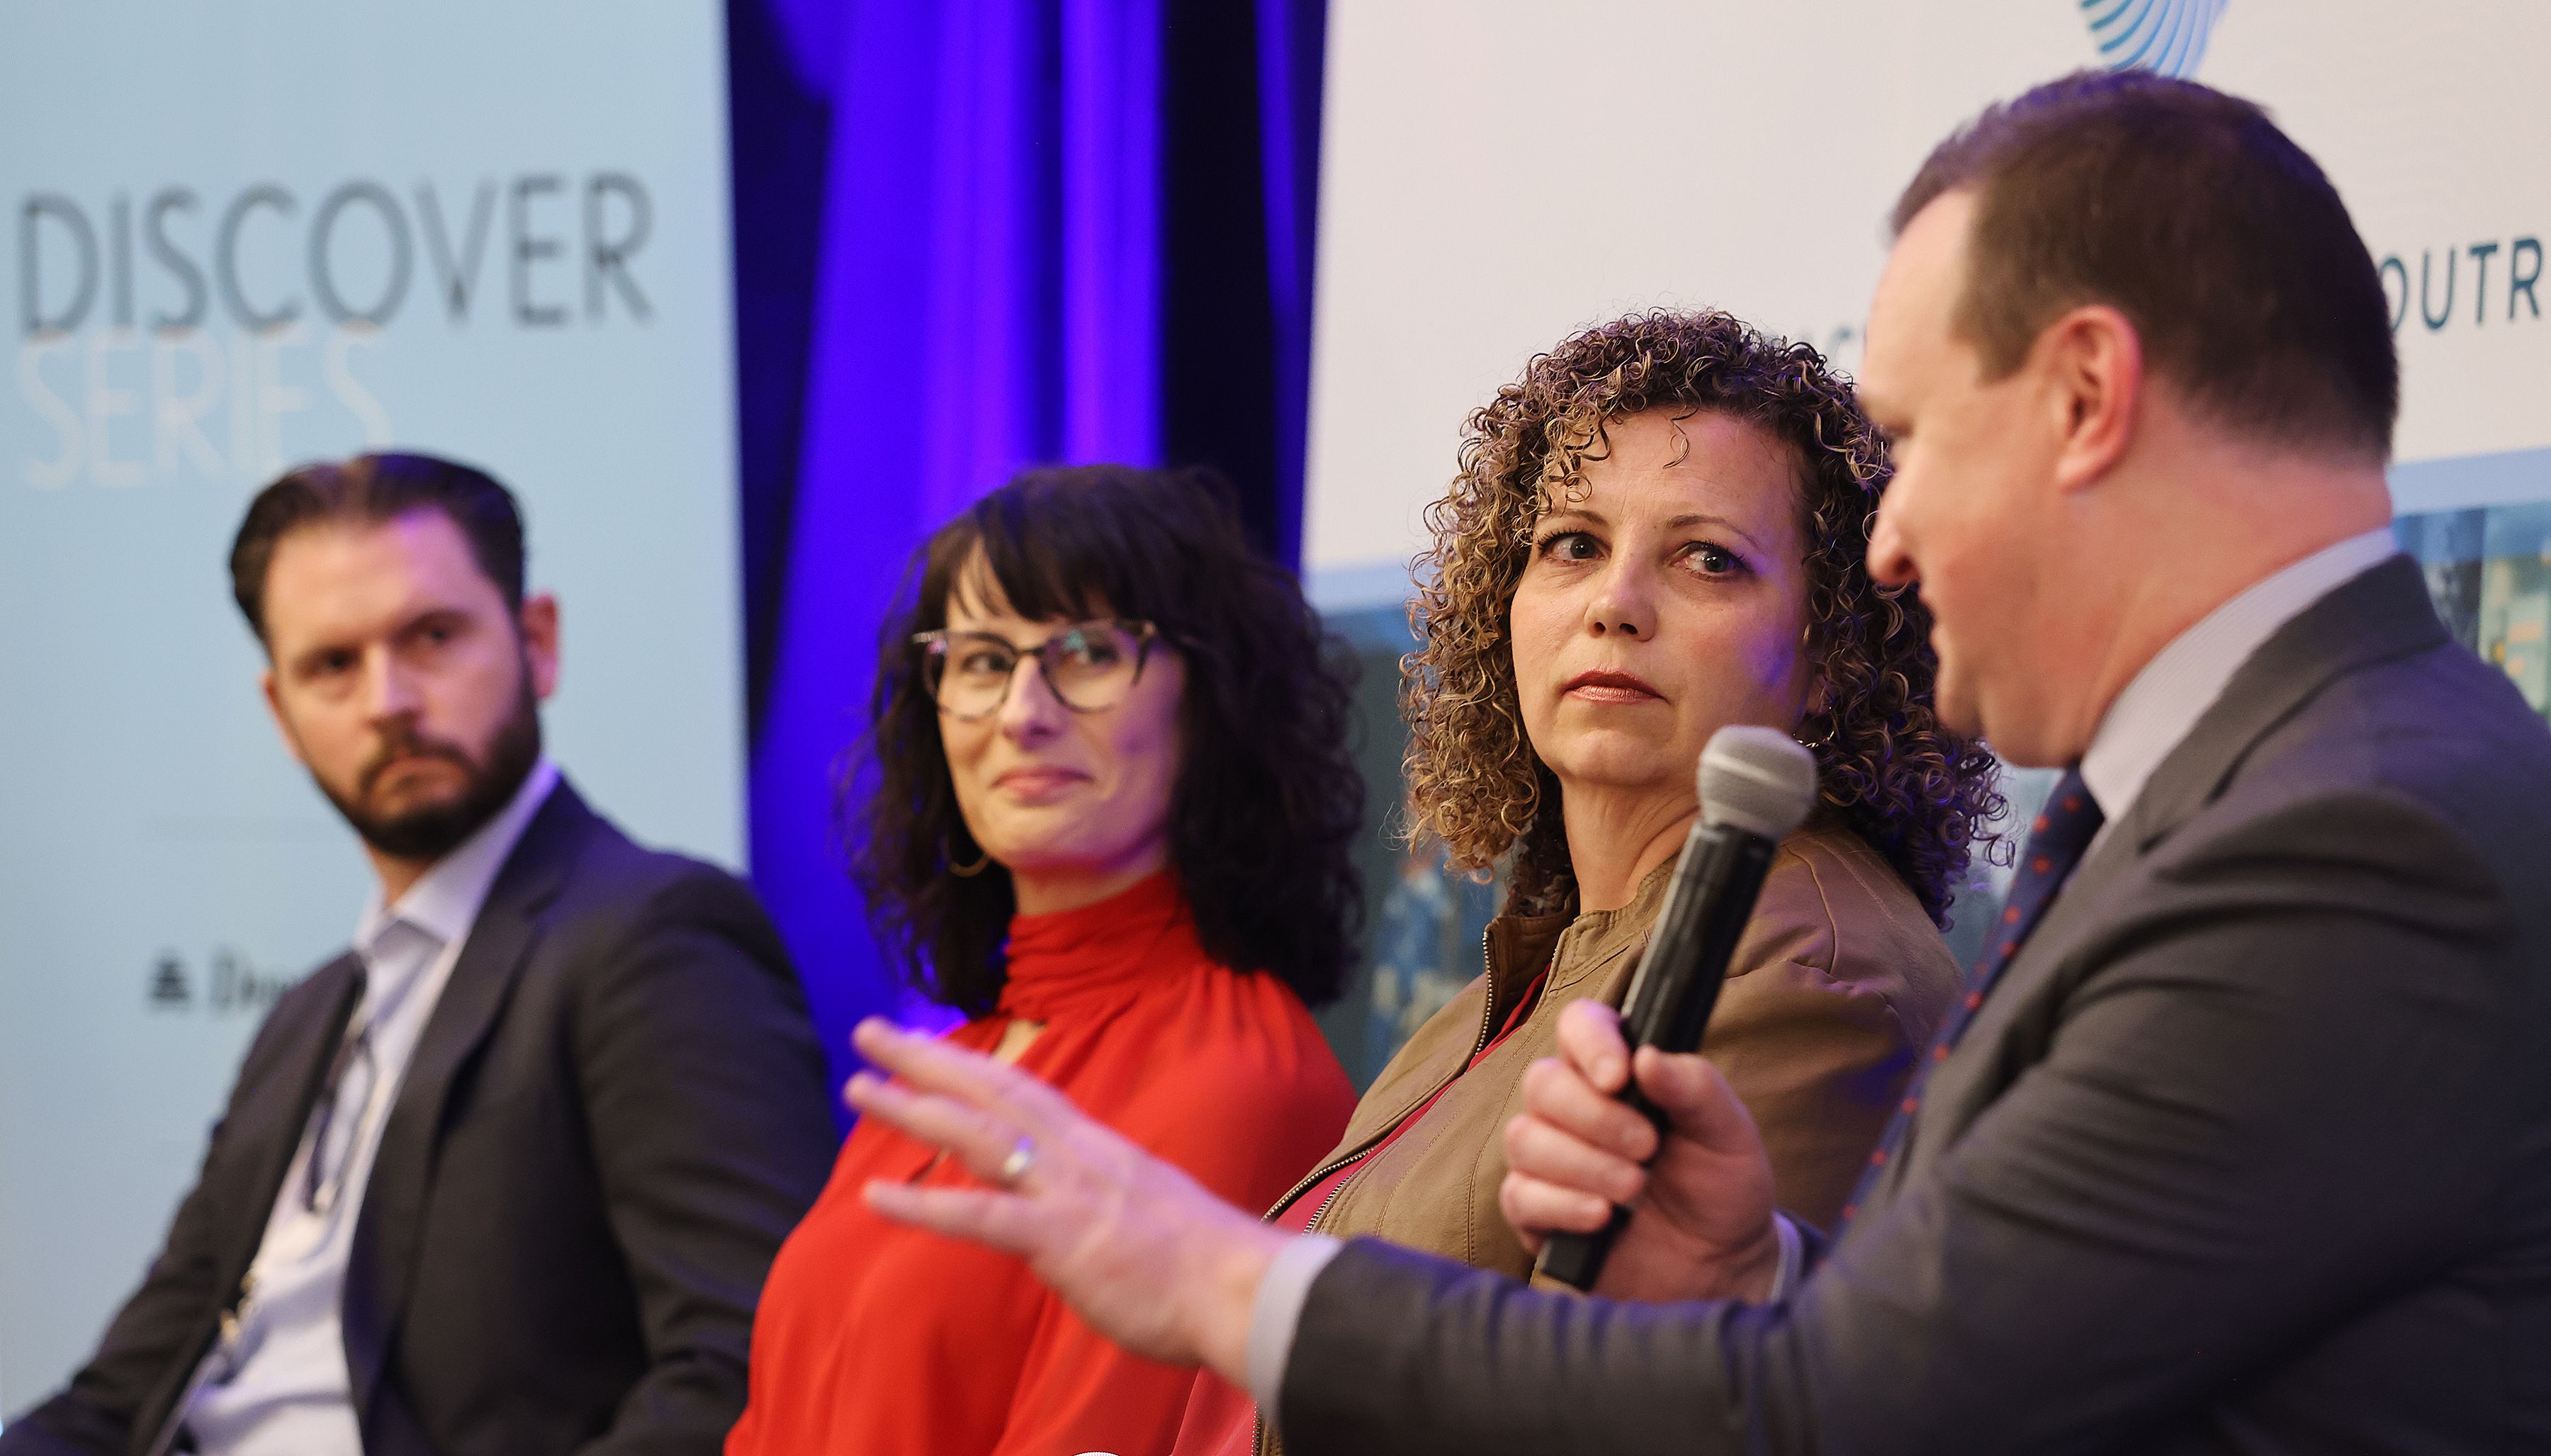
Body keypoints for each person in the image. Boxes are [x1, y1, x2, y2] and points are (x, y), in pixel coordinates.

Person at [832, 70, 2551, 1452]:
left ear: (2087, 394)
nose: (1894, 543)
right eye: (1568, 547)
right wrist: (1754, 1270)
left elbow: (1862, 1415)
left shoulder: (2354, 835)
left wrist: (1223, 1280)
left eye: (1911, 442)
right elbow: (1999, 1357)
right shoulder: (2278, 792)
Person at [1168, 309, 1995, 1454]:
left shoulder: (1809, 973)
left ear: (1832, 655)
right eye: (1571, 545)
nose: (1616, 602)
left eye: (1708, 558)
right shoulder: (1510, 985)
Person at [0, 454, 838, 1456]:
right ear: (281, 713)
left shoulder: (652, 937)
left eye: (432, 637)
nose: (388, 700)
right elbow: (120, 1396)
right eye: (332, 666)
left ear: (538, 643)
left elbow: (751, 1361)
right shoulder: (308, 1018)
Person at [723, 465, 1362, 1456]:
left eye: (1089, 651)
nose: (1023, 712)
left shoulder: (1239, 1084)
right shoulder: (951, 1066)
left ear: (1211, 702)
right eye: (983, 660)